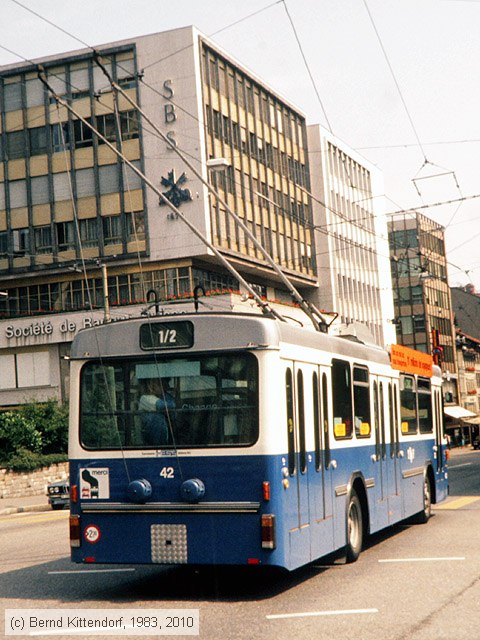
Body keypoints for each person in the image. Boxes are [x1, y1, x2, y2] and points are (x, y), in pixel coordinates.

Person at [139, 378, 176, 445]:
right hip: (153, 440)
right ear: (150, 385)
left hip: (168, 438)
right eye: (159, 384)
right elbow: (167, 405)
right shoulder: (145, 398)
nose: (164, 386)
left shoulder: (162, 397)